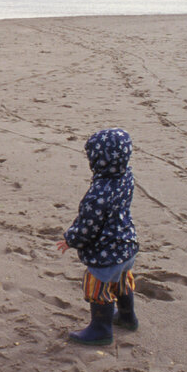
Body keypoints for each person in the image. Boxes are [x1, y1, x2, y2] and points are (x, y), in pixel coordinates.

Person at [56, 127, 139, 345]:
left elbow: (88, 225)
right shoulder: (126, 176)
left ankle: (101, 330)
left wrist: (71, 240)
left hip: (106, 252)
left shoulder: (98, 193)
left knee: (97, 287)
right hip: (127, 244)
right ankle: (127, 317)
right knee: (122, 281)